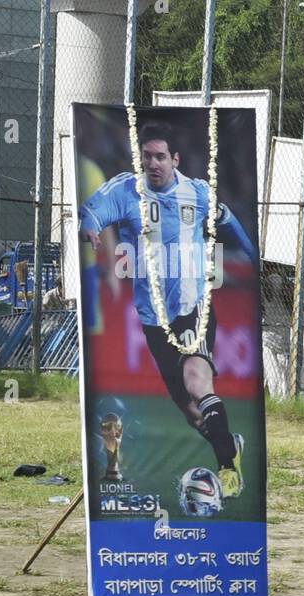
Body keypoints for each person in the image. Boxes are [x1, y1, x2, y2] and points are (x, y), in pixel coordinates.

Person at [79, 120, 257, 499]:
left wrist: (255, 261)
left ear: (175, 159)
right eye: (147, 156)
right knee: (189, 410)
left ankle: (227, 471)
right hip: (153, 318)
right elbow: (92, 211)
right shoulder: (127, 190)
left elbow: (229, 223)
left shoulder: (197, 193)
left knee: (197, 381)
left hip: (193, 307)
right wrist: (90, 229)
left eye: (161, 156)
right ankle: (230, 445)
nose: (153, 163)